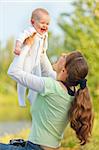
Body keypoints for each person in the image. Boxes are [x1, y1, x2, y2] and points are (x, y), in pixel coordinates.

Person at [0, 43, 94, 150]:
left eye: (65, 57)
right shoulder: (72, 91)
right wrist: (40, 42)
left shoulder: (51, 86)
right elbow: (48, 70)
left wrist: (26, 47)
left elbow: (13, 72)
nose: (62, 54)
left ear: (63, 70)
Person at [13, 8, 56, 106]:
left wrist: (44, 50)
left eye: (47, 24)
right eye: (42, 23)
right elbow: (21, 37)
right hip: (27, 60)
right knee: (23, 79)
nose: (45, 26)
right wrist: (18, 47)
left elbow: (44, 44)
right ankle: (21, 98)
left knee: (37, 79)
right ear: (33, 22)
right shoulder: (31, 31)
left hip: (36, 62)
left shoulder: (44, 34)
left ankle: (32, 98)